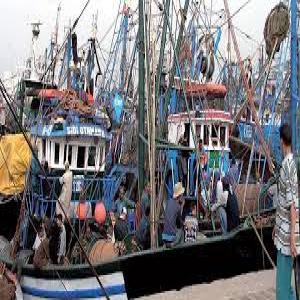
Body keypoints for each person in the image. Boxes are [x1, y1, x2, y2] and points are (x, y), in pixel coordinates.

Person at [274, 124, 300, 300]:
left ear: (281, 141)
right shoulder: (290, 163)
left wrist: (291, 239)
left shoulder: (287, 166)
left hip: (286, 238)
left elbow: (292, 205)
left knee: (282, 290)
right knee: (288, 287)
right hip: (285, 232)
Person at [162, 182, 185, 246]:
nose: (183, 196)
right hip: (172, 237)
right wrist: (182, 205)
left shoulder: (169, 201)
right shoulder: (178, 206)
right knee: (182, 231)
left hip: (164, 235)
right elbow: (180, 221)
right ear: (179, 196)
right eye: (182, 195)